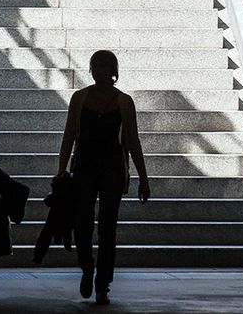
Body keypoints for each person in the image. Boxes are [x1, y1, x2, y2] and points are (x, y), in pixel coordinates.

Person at [57, 49, 150, 305]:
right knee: (82, 225)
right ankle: (88, 268)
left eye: (103, 66)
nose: (98, 70)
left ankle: (102, 283)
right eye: (95, 66)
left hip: (112, 170)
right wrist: (61, 170)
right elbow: (68, 137)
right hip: (84, 168)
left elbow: (132, 141)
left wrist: (143, 177)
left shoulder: (124, 102)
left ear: (113, 71)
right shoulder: (79, 99)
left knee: (108, 229)